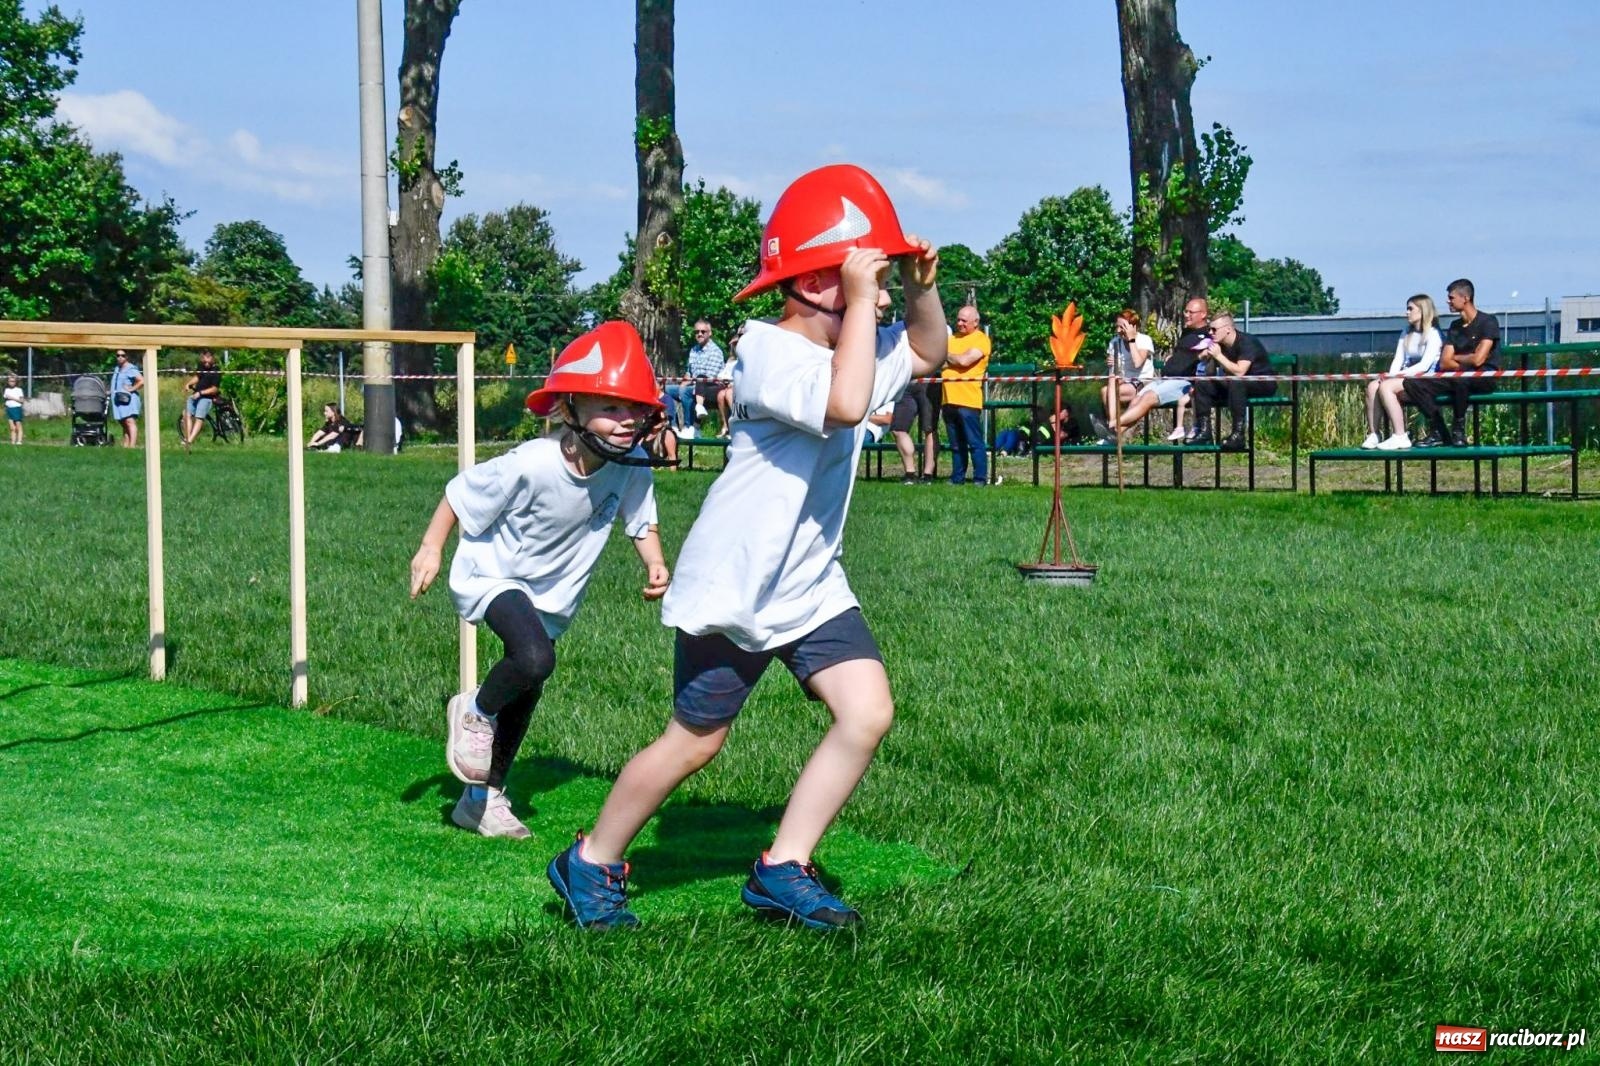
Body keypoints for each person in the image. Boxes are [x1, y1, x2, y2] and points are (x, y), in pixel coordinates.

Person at [545, 164, 947, 930]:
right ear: (819, 282)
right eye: (868, 275)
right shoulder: (765, 351)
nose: (884, 291)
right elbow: (844, 403)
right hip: (736, 588)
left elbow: (930, 353)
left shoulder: (852, 338)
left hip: (808, 583)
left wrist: (922, 290)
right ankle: (591, 859)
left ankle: (781, 867)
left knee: (866, 712)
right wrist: (865, 308)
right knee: (695, 743)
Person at [409, 321, 670, 839]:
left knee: (529, 686)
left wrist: (655, 563)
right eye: (610, 407)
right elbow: (460, 495)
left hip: (554, 593)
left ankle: (482, 799)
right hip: (495, 574)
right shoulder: (531, 463)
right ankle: (474, 712)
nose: (625, 420)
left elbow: (641, 519)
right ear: (569, 408)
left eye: (634, 408)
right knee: (533, 658)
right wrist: (431, 547)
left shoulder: (632, 465)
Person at [1093, 298, 1207, 444]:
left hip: (1179, 382)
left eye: (1191, 312)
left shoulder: (1207, 336)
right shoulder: (1186, 332)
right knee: (1134, 399)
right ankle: (1113, 435)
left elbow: (1137, 363)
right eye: (1186, 311)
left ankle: (1111, 425)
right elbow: (1183, 355)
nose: (1186, 315)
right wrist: (1173, 358)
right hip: (1163, 379)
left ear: (1203, 314)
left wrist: (1132, 340)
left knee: (1147, 397)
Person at [1403, 279, 1499, 448]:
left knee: (1461, 379)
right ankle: (1438, 430)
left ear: (1466, 298)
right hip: (1457, 376)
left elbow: (1479, 360)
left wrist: (1458, 358)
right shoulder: (1455, 327)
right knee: (1412, 383)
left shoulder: (1488, 322)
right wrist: (1466, 359)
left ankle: (1459, 429)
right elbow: (1445, 361)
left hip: (1483, 377)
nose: (1448, 301)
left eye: (1451, 297)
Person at [1364, 294, 1442, 450]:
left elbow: (1424, 366)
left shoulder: (1434, 334)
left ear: (1422, 311)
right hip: (1403, 378)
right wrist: (1390, 375)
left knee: (1386, 388)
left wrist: (1394, 378)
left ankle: (1400, 435)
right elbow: (1398, 359)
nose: (1407, 312)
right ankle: (1374, 434)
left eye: (1410, 308)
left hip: (1425, 380)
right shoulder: (1406, 332)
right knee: (1373, 386)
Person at [1189, 312, 1276, 449]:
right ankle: (1204, 432)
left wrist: (1218, 356)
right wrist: (1207, 358)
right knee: (1203, 384)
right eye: (1209, 329)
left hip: (1262, 383)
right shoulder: (1219, 344)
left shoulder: (1247, 342)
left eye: (1214, 330)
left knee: (1237, 381)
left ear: (1228, 329)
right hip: (1236, 384)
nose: (1211, 333)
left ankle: (1238, 435)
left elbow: (1240, 371)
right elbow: (1210, 373)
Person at [941, 304, 990, 485]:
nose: (959, 323)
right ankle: (957, 478)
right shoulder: (951, 339)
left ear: (975, 322)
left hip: (968, 401)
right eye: (958, 319)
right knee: (956, 445)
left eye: (964, 320)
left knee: (974, 443)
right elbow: (939, 363)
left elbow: (965, 360)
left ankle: (980, 479)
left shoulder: (981, 340)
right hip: (948, 399)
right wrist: (954, 359)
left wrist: (948, 357)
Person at [1100, 309, 1156, 429]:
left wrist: (1131, 339)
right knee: (1105, 390)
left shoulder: (1144, 340)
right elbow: (1115, 373)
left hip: (1142, 382)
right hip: (1123, 381)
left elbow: (1137, 363)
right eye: (1117, 327)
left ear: (1133, 326)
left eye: (1122, 327)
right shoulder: (1115, 342)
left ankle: (1113, 427)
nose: (1118, 331)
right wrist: (1111, 363)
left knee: (1114, 392)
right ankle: (1113, 423)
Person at [668, 319, 724, 435]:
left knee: (685, 392)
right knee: (667, 390)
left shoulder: (715, 352)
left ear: (710, 333)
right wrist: (682, 384)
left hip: (709, 388)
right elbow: (689, 372)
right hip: (694, 384)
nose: (699, 334)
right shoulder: (694, 350)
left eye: (703, 331)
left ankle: (691, 428)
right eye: (697, 332)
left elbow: (709, 378)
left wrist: (686, 387)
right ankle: (672, 426)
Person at [182, 351, 222, 446]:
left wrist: (200, 393)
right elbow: (198, 377)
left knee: (199, 417)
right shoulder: (201, 366)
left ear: (212, 359)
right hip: (195, 395)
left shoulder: (216, 370)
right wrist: (189, 384)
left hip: (206, 398)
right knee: (186, 415)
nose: (206, 364)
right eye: (204, 362)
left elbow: (214, 389)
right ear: (202, 359)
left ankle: (190, 441)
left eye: (208, 362)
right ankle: (187, 438)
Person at [109, 349, 144, 448]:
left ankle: (132, 446)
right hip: (118, 399)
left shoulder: (131, 369)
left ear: (127, 357)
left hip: (128, 400)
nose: (120, 357)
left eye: (123, 355)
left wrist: (132, 388)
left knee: (129, 421)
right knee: (123, 422)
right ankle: (126, 445)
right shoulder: (117, 369)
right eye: (118, 355)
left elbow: (141, 381)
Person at [714, 325, 742, 436]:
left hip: (738, 386)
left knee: (729, 394)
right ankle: (725, 425)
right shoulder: (731, 360)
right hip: (727, 386)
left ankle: (736, 422)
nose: (735, 346)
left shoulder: (744, 359)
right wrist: (722, 379)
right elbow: (723, 373)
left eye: (737, 344)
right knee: (721, 395)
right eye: (733, 345)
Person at [4, 373, 23, 444]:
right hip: (9, 409)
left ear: (15, 382)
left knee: (18, 426)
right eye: (10, 381)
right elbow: (6, 399)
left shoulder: (19, 390)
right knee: (12, 428)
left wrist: (12, 398)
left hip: (16, 409)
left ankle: (19, 441)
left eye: (13, 381)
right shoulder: (6, 390)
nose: (11, 383)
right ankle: (12, 442)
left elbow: (21, 401)